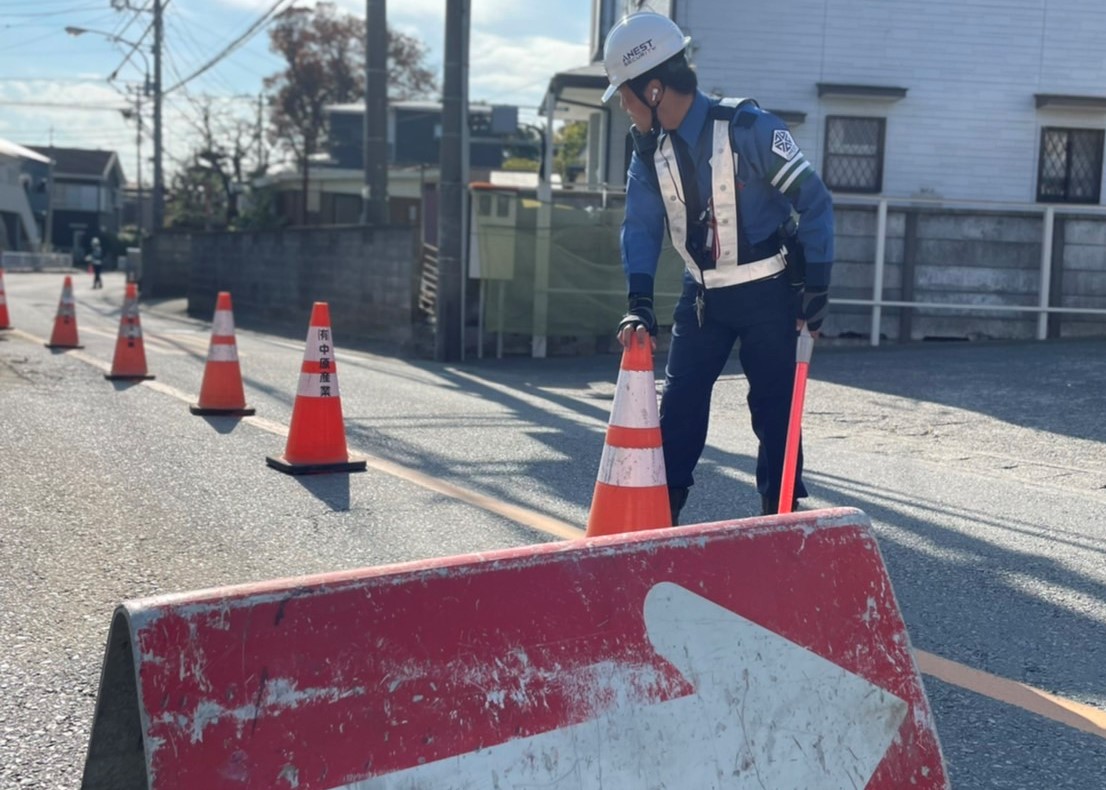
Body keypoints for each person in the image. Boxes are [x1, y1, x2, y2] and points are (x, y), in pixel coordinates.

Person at [600, 12, 835, 522]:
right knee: (679, 408)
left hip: (770, 293)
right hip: (702, 296)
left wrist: (816, 288)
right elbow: (640, 226)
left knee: (775, 411)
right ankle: (659, 523)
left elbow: (814, 200)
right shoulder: (649, 154)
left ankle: (780, 522)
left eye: (626, 94)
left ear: (654, 90)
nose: (623, 105)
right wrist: (639, 303)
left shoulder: (751, 128)